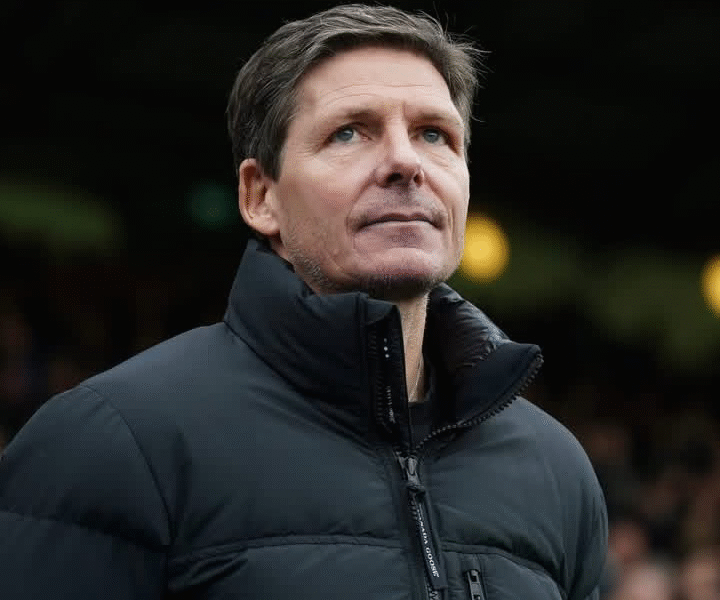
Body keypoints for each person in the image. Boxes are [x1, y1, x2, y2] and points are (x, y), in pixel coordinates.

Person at [0, 4, 607, 599]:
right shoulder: (111, 442)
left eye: (434, 134)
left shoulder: (557, 470)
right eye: (350, 132)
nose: (406, 162)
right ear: (259, 196)